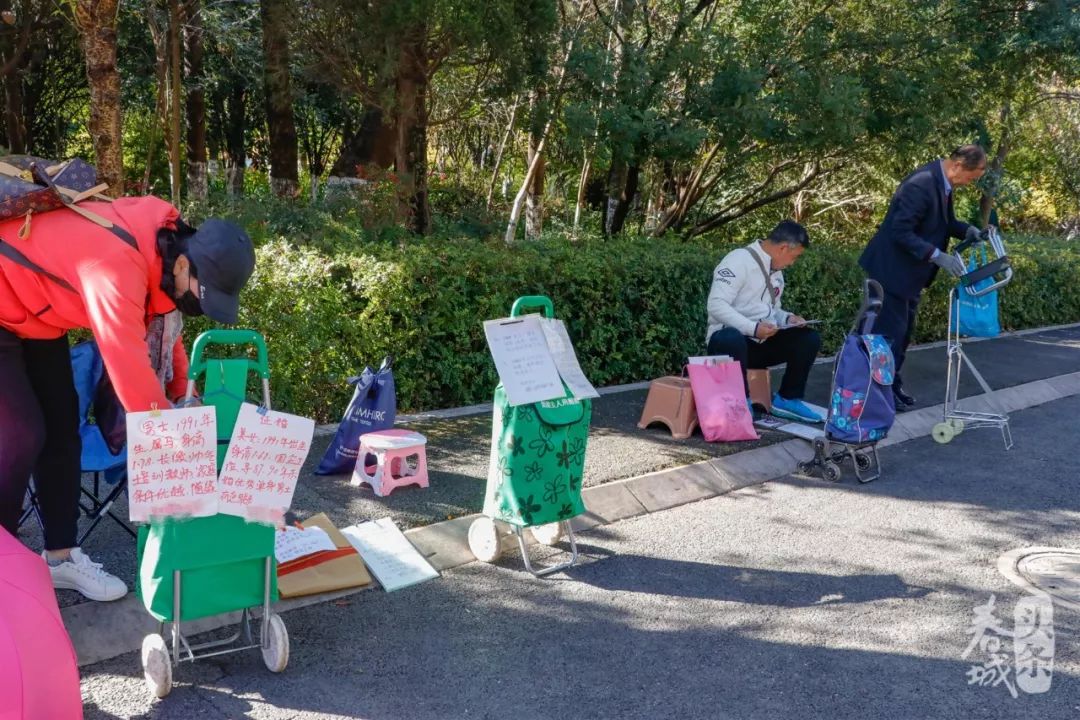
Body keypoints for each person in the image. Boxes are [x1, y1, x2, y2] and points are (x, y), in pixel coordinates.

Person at [0, 195, 256, 602]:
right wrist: (175, 443)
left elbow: (164, 327)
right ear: (185, 265)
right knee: (20, 435)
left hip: (37, 316)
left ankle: (60, 558)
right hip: (3, 293)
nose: (200, 306)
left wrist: (184, 390)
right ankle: (5, 565)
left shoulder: (165, 252)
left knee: (63, 427)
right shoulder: (116, 265)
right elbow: (127, 363)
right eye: (202, 294)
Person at [859, 145, 987, 410]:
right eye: (971, 178)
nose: (969, 184)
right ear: (959, 166)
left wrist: (968, 231)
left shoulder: (943, 183)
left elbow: (944, 222)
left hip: (910, 276)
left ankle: (891, 384)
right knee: (889, 335)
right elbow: (900, 231)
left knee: (903, 334)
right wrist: (936, 255)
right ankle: (877, 393)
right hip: (891, 271)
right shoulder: (921, 183)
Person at [705, 220, 822, 423]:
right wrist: (752, 328)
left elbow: (771, 310)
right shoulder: (738, 260)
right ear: (784, 248)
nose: (792, 263)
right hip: (727, 344)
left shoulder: (777, 272)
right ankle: (740, 402)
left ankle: (788, 398)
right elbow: (716, 305)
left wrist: (788, 318)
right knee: (731, 337)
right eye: (794, 257)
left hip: (757, 344)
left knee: (808, 338)